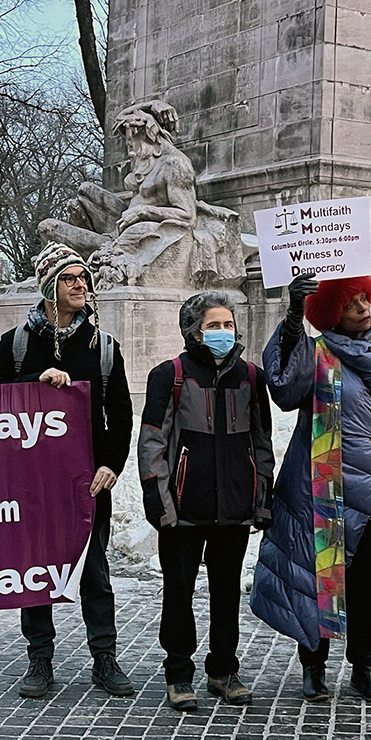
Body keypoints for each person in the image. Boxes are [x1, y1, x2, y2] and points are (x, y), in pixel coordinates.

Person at [251, 272, 371, 703]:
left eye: (364, 298)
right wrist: (292, 317)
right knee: (319, 580)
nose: (362, 308)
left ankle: (363, 669)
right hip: (323, 492)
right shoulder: (316, 355)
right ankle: (313, 667)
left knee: (368, 584)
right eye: (349, 303)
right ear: (330, 314)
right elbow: (283, 388)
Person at [0, 243, 135, 699]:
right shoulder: (16, 343)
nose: (81, 285)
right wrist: (35, 383)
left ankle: (105, 659)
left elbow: (121, 415)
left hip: (88, 483)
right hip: (32, 483)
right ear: (49, 286)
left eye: (84, 278)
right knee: (36, 571)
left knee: (95, 573)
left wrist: (111, 464)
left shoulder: (103, 348)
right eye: (71, 278)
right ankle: (40, 659)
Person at [137, 291, 275, 711]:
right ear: (193, 331)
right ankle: (178, 672)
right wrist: (161, 505)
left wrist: (261, 499)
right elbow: (151, 444)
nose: (222, 332)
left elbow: (262, 442)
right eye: (213, 325)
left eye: (228, 324)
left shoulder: (251, 377)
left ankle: (223, 669)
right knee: (178, 593)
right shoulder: (169, 375)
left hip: (233, 509)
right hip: (183, 510)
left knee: (226, 593)